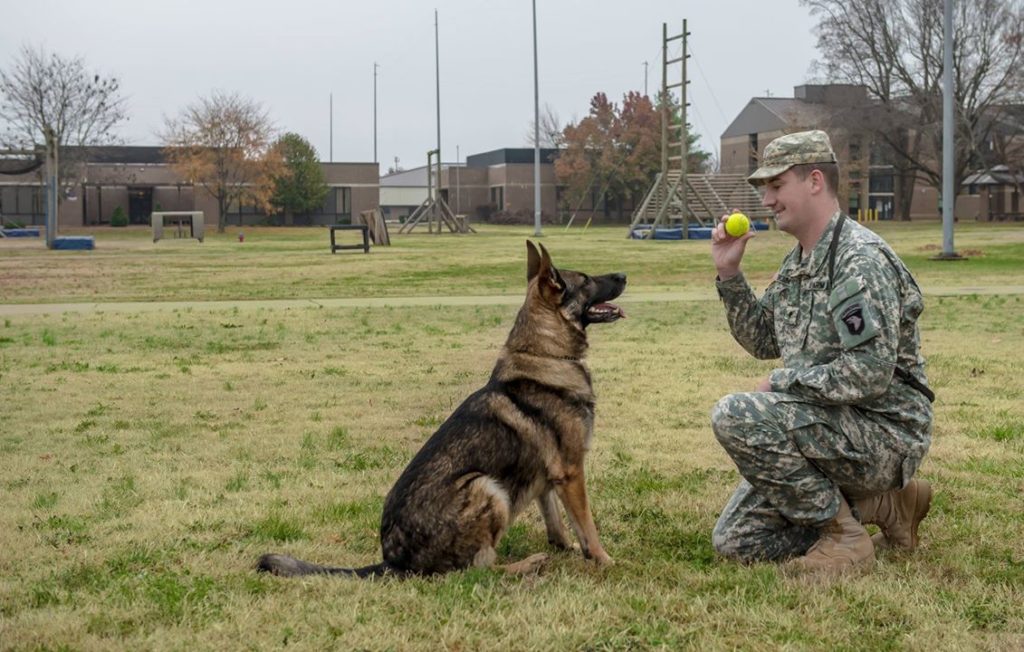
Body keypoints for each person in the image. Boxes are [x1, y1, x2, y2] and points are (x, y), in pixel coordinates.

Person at [708, 130, 934, 575]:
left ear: (814, 181)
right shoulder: (800, 261)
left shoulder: (858, 259)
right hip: (831, 426)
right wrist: (729, 273)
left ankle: (844, 538)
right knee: (738, 541)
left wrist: (782, 382)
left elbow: (869, 373)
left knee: (735, 413)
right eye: (764, 190)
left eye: (776, 186)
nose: (767, 200)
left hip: (884, 431)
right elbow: (763, 341)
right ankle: (885, 505)